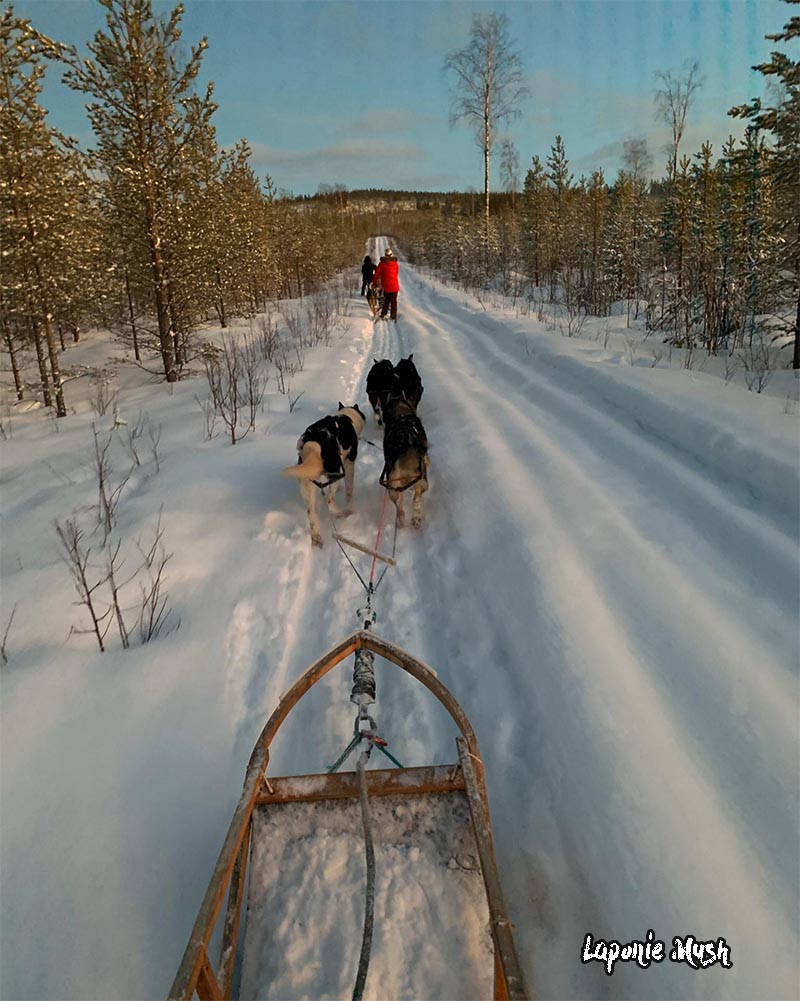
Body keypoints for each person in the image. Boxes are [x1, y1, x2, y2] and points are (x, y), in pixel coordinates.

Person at [372, 247, 399, 322]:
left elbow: (377, 274)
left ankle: (384, 313)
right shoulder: (395, 263)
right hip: (395, 285)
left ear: (385, 255)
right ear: (391, 254)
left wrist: (374, 282)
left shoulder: (382, 264)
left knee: (386, 300)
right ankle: (393, 315)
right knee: (394, 301)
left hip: (387, 285)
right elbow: (396, 273)